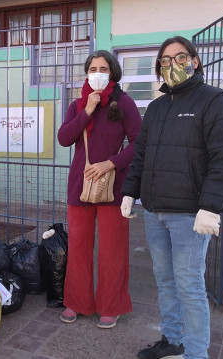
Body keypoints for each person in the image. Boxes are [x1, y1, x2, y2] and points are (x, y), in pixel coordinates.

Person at [121, 36, 223, 359]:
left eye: (180, 57)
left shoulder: (216, 102)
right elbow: (142, 154)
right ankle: (172, 339)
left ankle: (196, 353)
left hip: (190, 215)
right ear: (159, 68)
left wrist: (211, 206)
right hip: (155, 211)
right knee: (165, 280)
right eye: (165, 60)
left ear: (195, 60)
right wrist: (130, 191)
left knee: (190, 286)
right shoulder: (157, 107)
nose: (172, 64)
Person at [57, 50, 141, 329]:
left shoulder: (124, 103)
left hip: (113, 189)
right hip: (79, 189)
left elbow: (140, 144)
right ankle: (77, 302)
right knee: (79, 247)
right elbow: (65, 138)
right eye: (93, 68)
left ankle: (110, 306)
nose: (98, 73)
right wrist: (87, 110)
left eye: (103, 68)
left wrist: (111, 163)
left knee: (111, 250)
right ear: (86, 72)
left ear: (113, 73)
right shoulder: (78, 104)